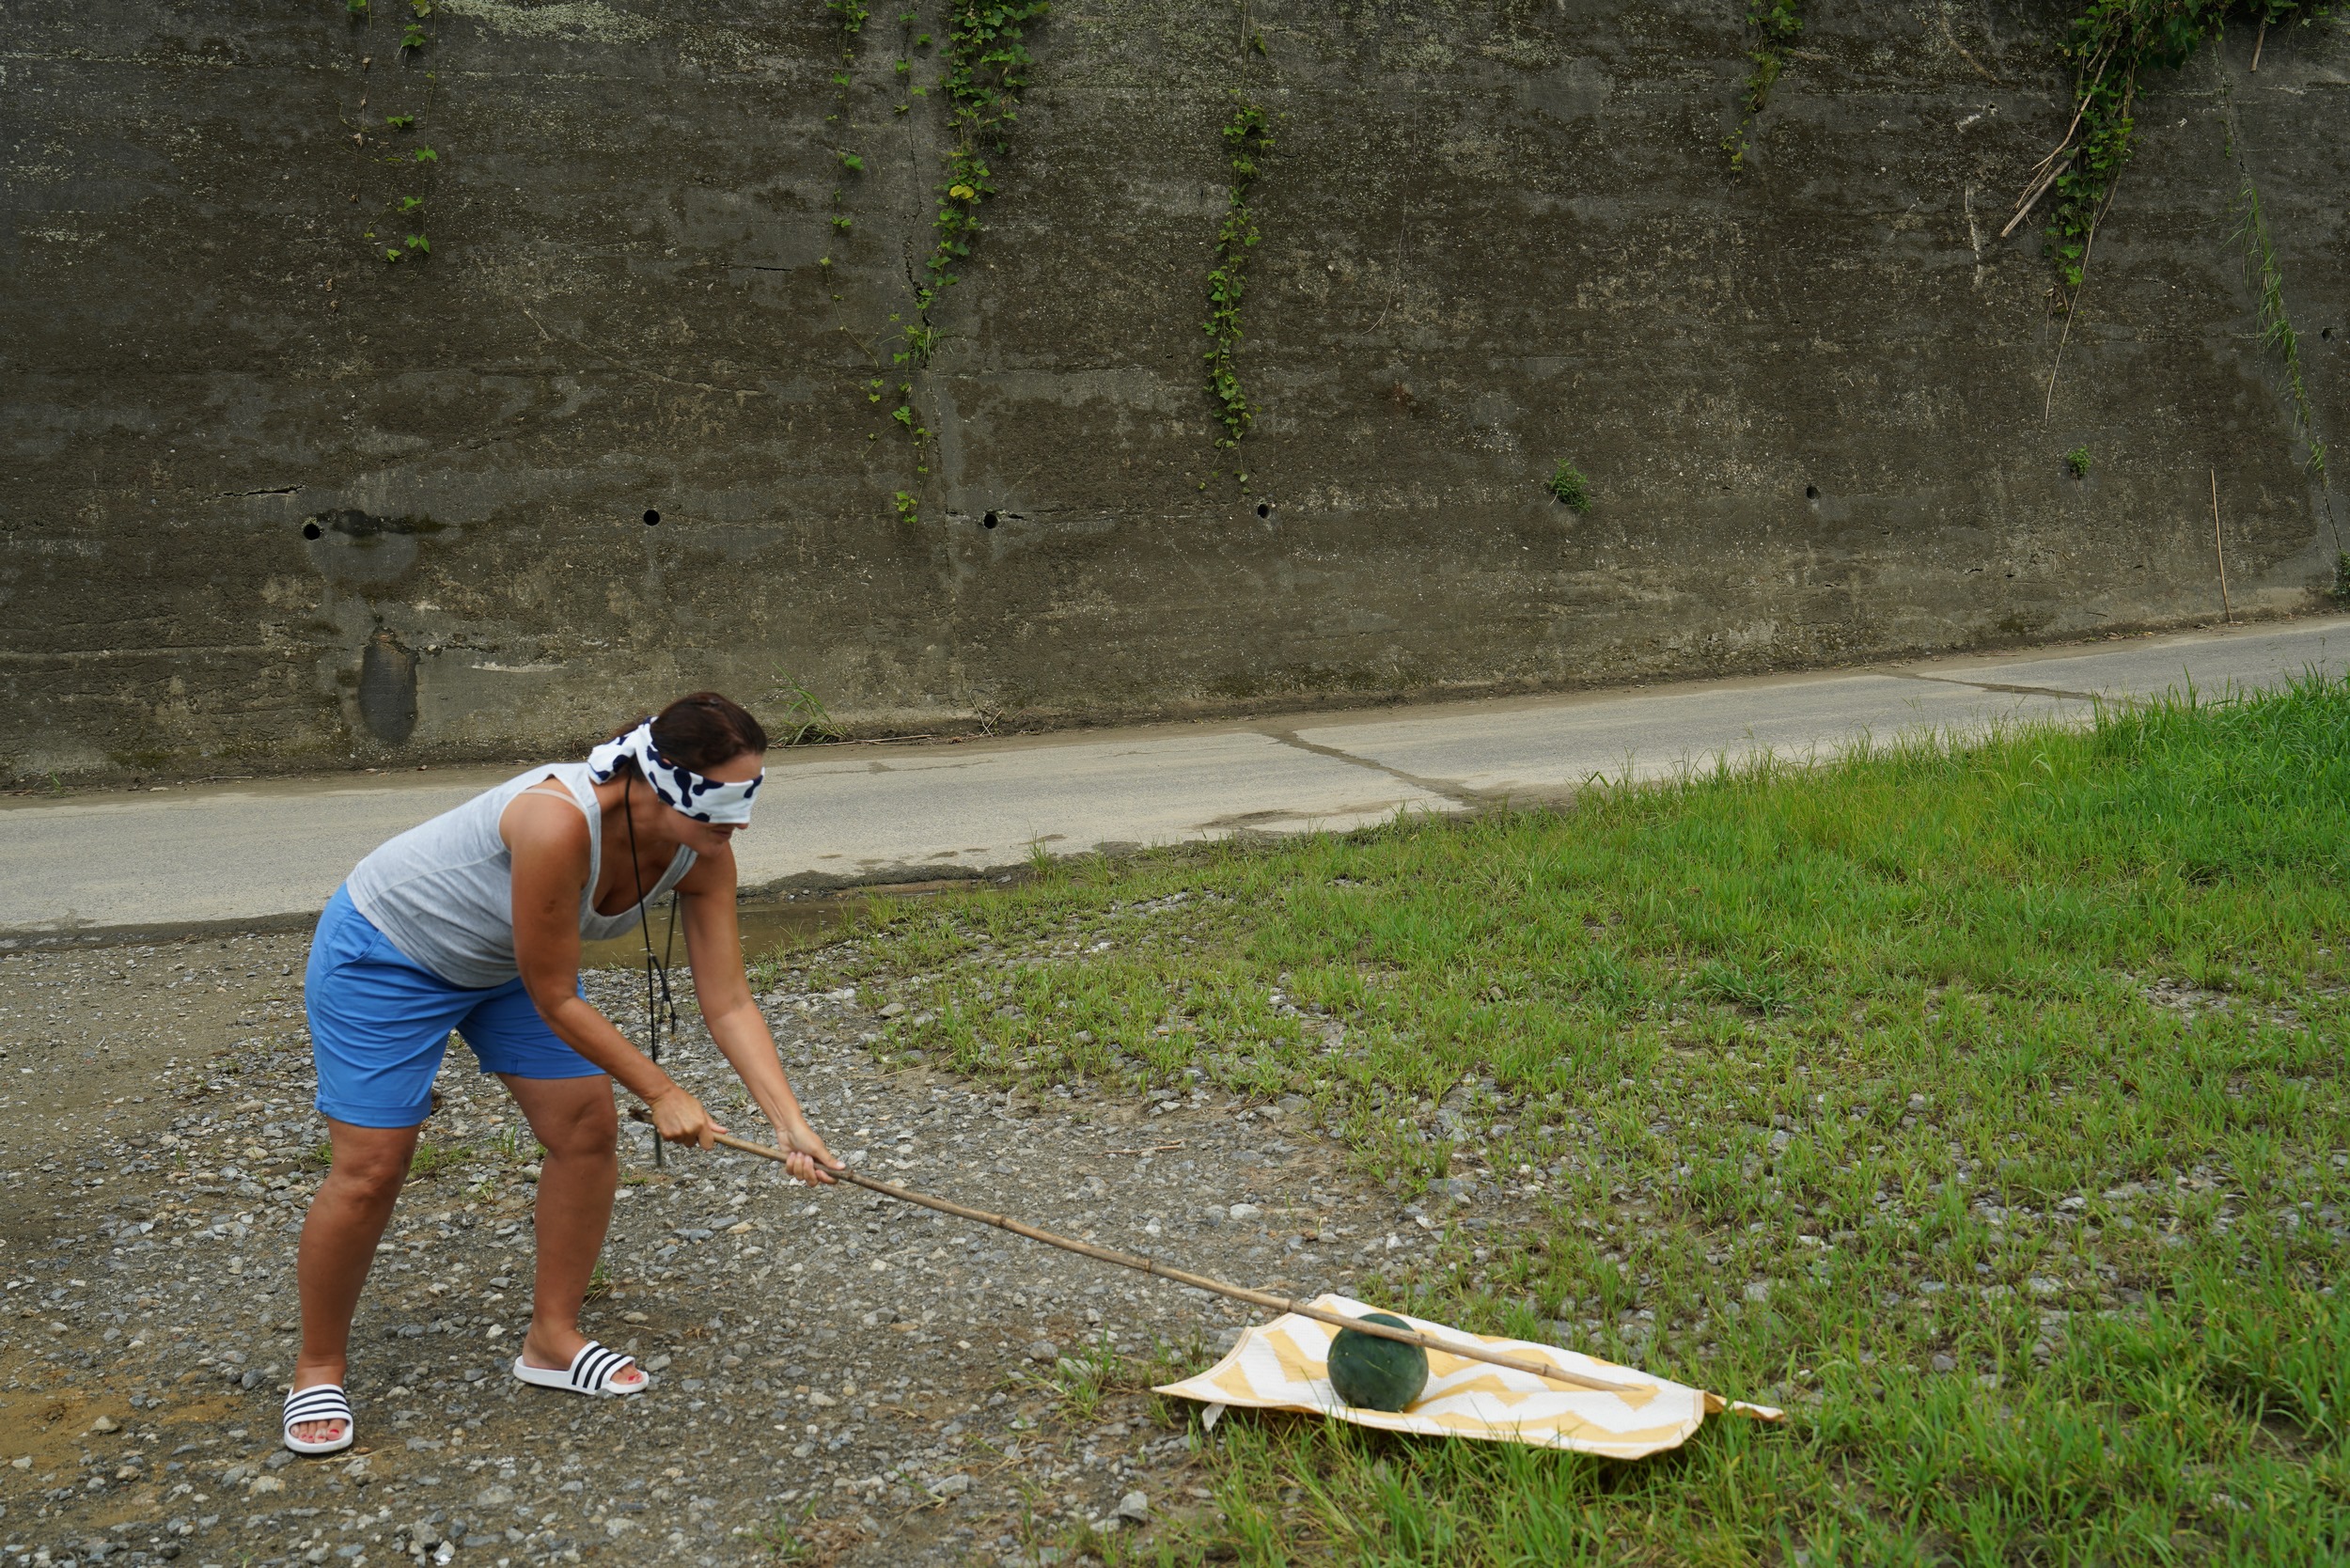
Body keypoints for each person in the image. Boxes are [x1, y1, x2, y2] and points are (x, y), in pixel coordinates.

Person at [282, 692, 841, 1454]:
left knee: (586, 1128)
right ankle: (317, 1367)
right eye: (720, 803)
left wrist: (789, 1123)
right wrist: (663, 1089)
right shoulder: (555, 821)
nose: (738, 821)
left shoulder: (700, 849)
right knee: (373, 1165)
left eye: (748, 798)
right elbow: (554, 994)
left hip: (507, 965)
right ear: (656, 781)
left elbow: (730, 1000)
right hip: (390, 953)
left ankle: (552, 1339)